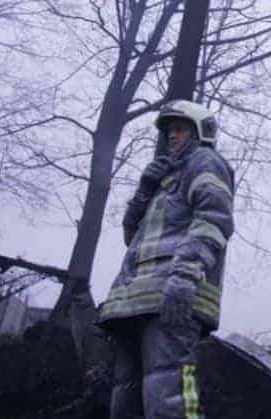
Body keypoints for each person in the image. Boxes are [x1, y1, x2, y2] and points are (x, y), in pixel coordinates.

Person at [98, 100, 234, 419]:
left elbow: (213, 220)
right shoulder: (163, 181)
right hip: (135, 303)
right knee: (127, 405)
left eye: (179, 129)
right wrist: (144, 190)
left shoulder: (205, 162)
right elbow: (132, 238)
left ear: (201, 132)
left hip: (172, 298)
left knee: (169, 399)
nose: (171, 136)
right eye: (169, 131)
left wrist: (184, 278)